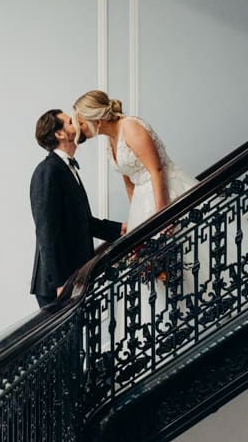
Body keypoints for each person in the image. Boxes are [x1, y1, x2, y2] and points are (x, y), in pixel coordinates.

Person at [30, 108, 125, 308]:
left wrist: (119, 229)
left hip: (75, 276)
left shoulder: (66, 168)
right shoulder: (47, 171)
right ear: (60, 134)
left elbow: (82, 222)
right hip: (59, 284)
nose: (77, 123)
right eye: (70, 122)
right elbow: (46, 232)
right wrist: (59, 283)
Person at [71, 90, 198, 232]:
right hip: (142, 200)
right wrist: (138, 215)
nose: (78, 130)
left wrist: (162, 215)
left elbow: (156, 170)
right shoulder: (111, 138)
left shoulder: (130, 127)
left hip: (164, 193)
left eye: (80, 123)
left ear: (96, 119)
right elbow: (129, 183)